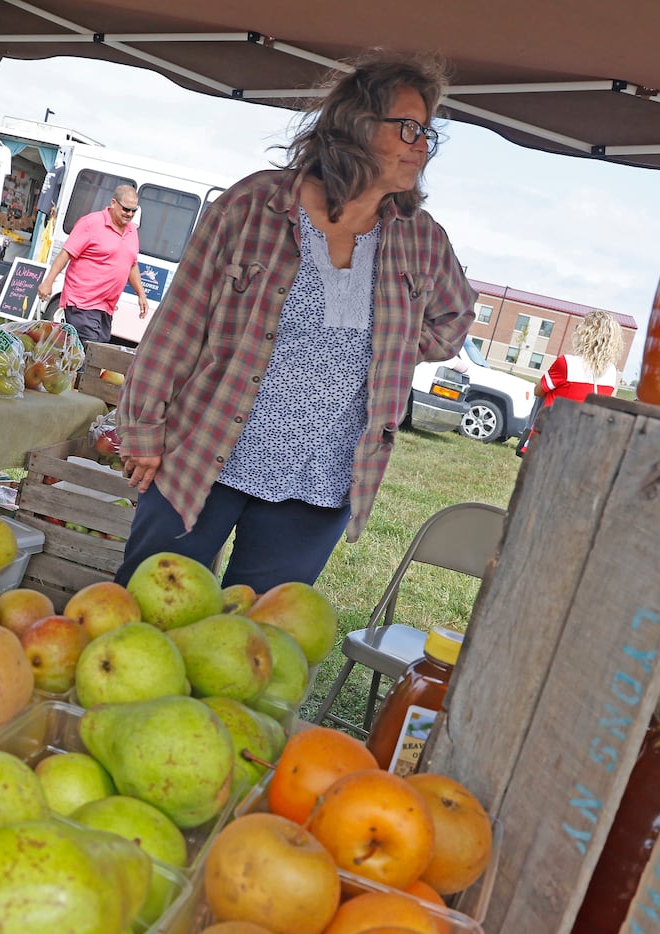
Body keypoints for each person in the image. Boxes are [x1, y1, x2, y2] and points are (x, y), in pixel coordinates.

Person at [113, 52, 475, 592]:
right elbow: (179, 324)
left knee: (255, 645)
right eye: (409, 128)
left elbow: (454, 317)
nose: (422, 145)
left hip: (321, 481)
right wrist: (142, 428)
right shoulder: (255, 204)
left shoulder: (421, 239)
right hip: (203, 455)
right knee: (147, 614)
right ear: (356, 124)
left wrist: (395, 344)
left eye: (428, 133)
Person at [37, 185, 150, 345]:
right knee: (88, 355)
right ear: (113, 203)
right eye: (126, 209)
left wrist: (141, 295)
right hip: (82, 303)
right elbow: (66, 253)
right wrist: (48, 282)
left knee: (94, 355)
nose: (129, 214)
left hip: (106, 308)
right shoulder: (91, 223)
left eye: (134, 210)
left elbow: (131, 264)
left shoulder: (132, 230)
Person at [515, 310, 623, 458]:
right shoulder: (611, 372)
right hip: (583, 438)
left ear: (586, 334)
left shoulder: (567, 363)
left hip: (551, 431)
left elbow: (538, 391)